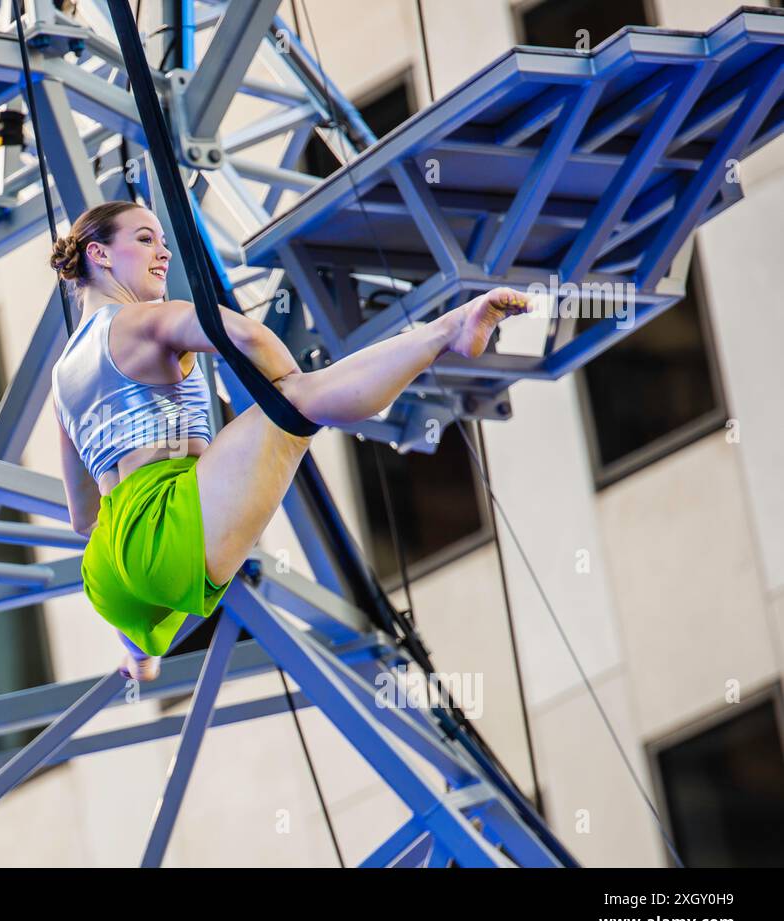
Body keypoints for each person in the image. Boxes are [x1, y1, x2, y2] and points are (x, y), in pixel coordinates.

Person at [50, 201, 529, 682]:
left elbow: (83, 518)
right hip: (164, 526)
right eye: (145, 239)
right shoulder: (146, 320)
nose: (165, 253)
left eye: (164, 240)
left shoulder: (61, 376)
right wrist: (297, 394)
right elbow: (244, 335)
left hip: (108, 575)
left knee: (140, 577)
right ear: (100, 253)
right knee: (299, 399)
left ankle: (138, 654)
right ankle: (449, 330)